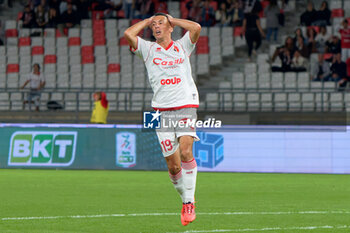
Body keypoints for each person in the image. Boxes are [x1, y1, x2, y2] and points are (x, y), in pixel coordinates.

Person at [124, 12, 201, 226]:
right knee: (173, 167)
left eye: (161, 24)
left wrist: (172, 19)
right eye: (154, 25)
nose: (157, 27)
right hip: (160, 111)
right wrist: (147, 21)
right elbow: (128, 33)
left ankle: (188, 203)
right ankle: (187, 196)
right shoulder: (148, 50)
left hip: (186, 105)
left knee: (186, 151)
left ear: (170, 28)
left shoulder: (183, 45)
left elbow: (196, 28)